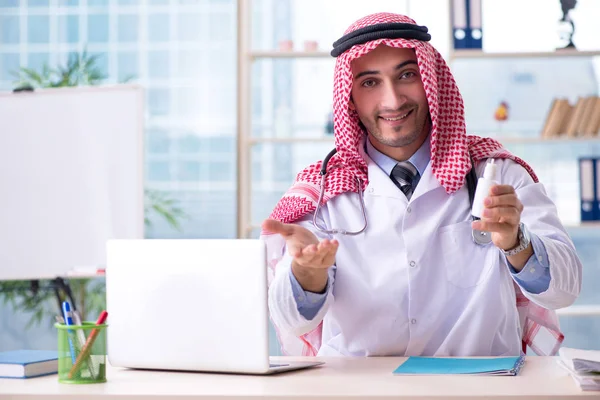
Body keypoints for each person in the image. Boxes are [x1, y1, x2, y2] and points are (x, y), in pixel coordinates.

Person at [261, 12, 582, 357]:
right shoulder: (322, 190)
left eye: (407, 75)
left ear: (432, 82)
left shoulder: (498, 174)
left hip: (480, 386)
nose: (393, 100)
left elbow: (565, 290)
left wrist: (518, 244)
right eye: (370, 82)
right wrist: (307, 276)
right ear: (350, 98)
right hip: (359, 389)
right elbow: (290, 320)